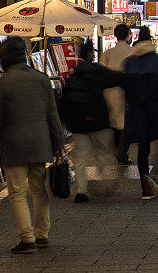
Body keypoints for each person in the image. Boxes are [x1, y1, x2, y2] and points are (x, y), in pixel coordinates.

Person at [0, 36, 64, 254]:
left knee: (18, 192)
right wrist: (58, 143)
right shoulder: (41, 79)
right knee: (39, 190)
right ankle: (42, 235)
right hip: (40, 141)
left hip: (14, 143)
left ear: (4, 57)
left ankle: (27, 238)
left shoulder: (6, 81)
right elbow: (52, 116)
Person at [59, 40, 125, 203]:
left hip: (79, 124)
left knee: (81, 158)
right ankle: (105, 183)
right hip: (98, 122)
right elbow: (118, 78)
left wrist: (63, 120)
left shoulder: (73, 76)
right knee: (104, 153)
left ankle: (81, 191)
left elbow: (64, 100)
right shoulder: (98, 72)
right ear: (91, 55)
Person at [123, 26, 158, 199]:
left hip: (137, 112)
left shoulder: (129, 62)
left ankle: (146, 188)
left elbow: (125, 87)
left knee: (143, 149)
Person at [100, 23, 134, 164]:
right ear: (128, 35)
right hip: (128, 92)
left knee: (115, 122)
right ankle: (122, 153)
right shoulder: (133, 53)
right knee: (126, 123)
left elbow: (100, 73)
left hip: (109, 92)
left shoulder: (107, 53)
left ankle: (118, 150)